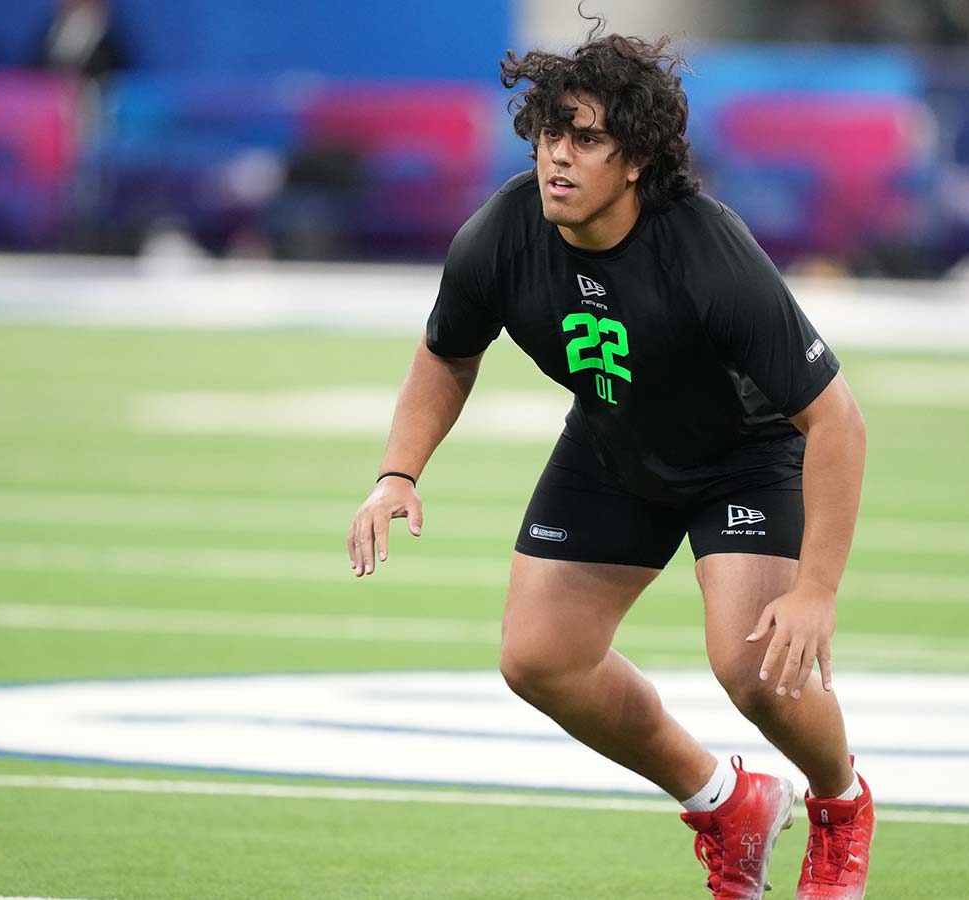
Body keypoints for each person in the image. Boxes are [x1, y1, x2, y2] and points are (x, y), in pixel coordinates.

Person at [346, 23, 873, 900]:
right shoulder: (503, 232)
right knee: (539, 658)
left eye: (586, 138)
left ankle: (841, 804)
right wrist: (398, 472)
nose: (558, 157)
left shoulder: (706, 250)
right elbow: (447, 352)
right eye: (550, 133)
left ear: (635, 159)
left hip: (741, 458)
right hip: (614, 441)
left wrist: (815, 590)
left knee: (754, 669)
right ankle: (726, 804)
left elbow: (838, 422)